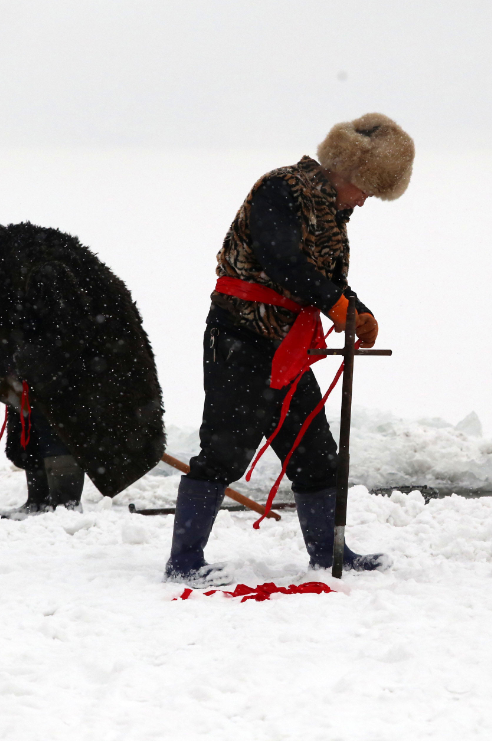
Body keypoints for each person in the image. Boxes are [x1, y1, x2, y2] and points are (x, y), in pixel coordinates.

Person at [165, 113, 414, 584]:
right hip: (239, 339)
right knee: (222, 454)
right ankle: (183, 564)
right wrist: (335, 302)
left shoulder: (333, 213)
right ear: (349, 172)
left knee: (316, 455)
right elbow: (283, 262)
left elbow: (324, 281)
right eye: (366, 189)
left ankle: (329, 554)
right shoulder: (281, 188)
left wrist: (357, 310)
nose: (365, 201)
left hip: (289, 346)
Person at [0, 218, 166, 517]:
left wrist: (26, 364)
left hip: (101, 347)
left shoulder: (44, 268)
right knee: (28, 406)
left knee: (61, 412)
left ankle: (64, 505)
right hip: (57, 341)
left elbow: (67, 331)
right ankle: (39, 500)